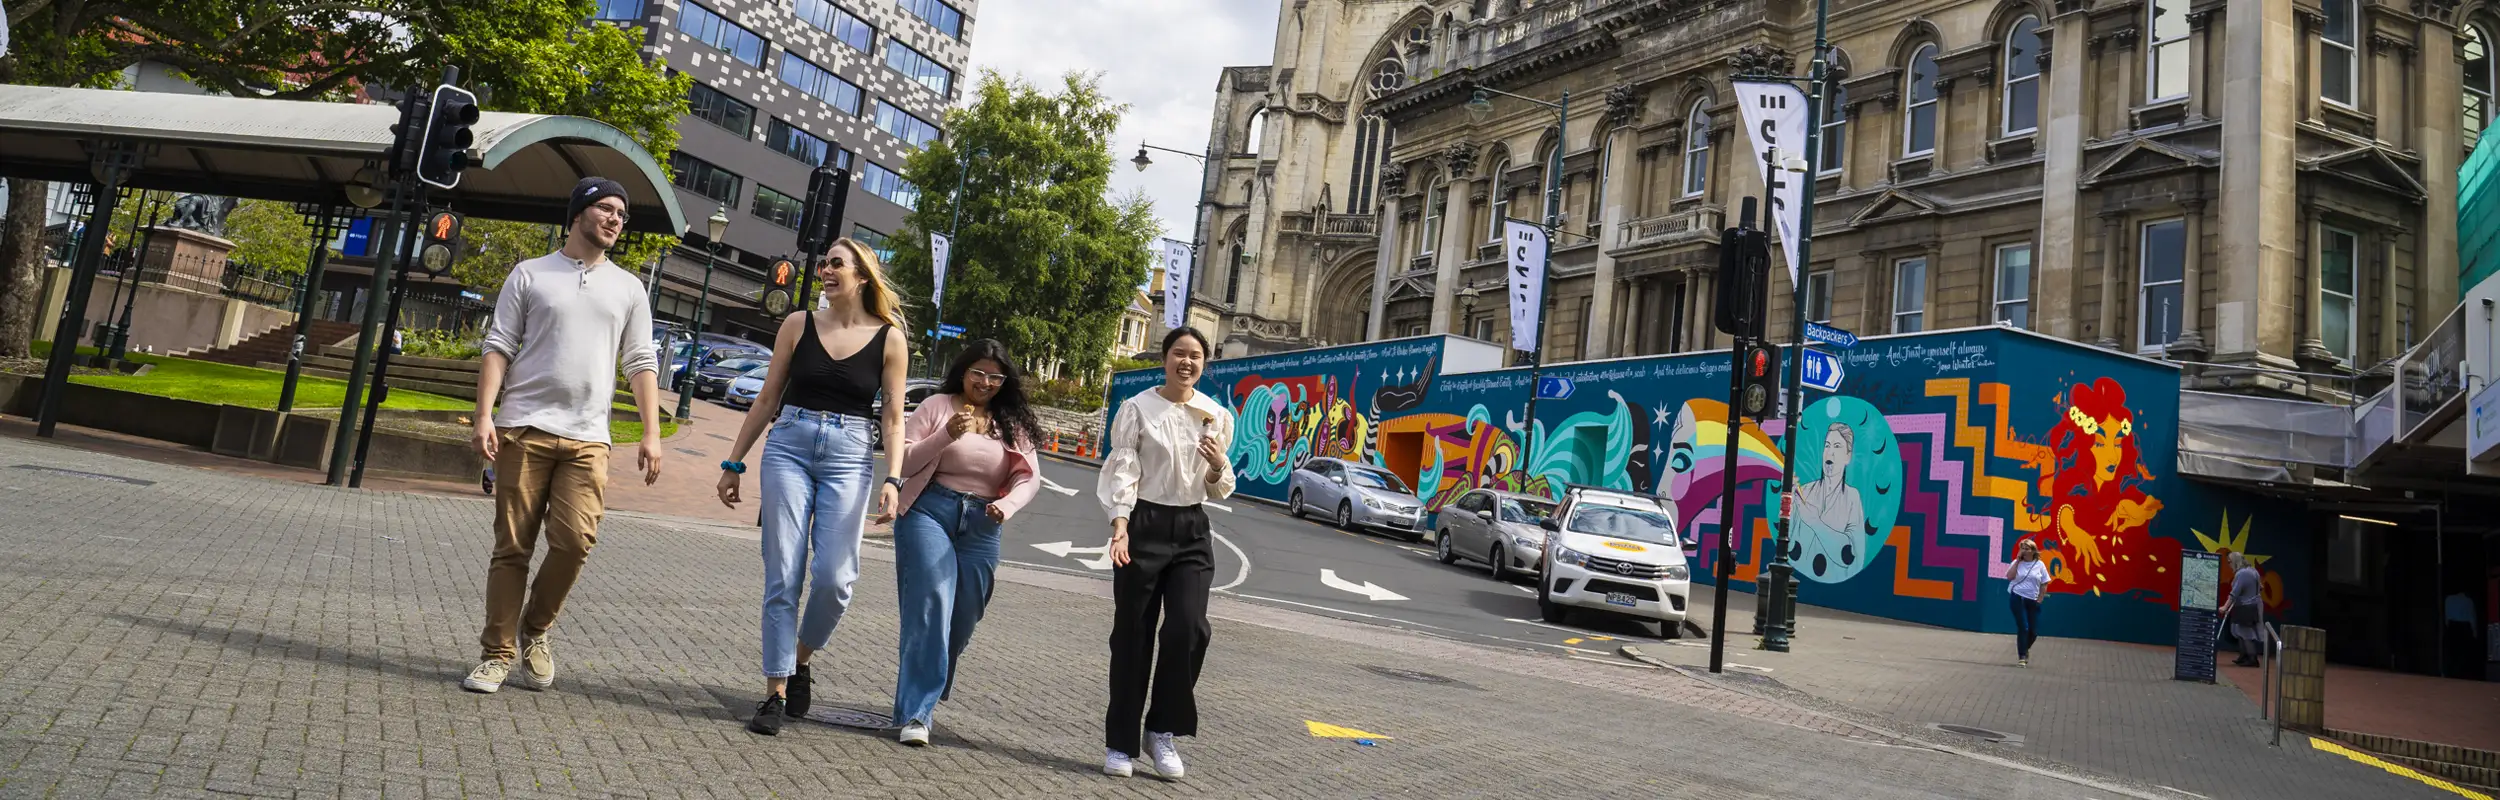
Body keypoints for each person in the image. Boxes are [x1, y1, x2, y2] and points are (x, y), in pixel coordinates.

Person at [461, 177, 664, 694]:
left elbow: (640, 360)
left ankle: (536, 628)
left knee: (575, 541)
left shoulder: (628, 288)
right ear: (577, 214)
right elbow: (499, 345)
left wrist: (651, 432)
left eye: (622, 213)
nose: (616, 219)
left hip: (589, 436)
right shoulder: (530, 274)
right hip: (524, 426)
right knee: (512, 547)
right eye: (605, 208)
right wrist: (485, 415)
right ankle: (496, 653)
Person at [715, 238, 910, 736]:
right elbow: (766, 398)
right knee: (783, 572)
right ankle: (774, 693)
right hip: (789, 448)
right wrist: (733, 462)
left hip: (850, 455)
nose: (825, 270)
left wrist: (893, 478)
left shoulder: (889, 339)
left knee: (836, 580)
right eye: (824, 262)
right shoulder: (797, 324)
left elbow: (892, 417)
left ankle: (801, 659)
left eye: (836, 264)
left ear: (862, 276)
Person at [886, 339, 1043, 746]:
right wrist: (945, 436)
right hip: (928, 511)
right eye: (978, 373)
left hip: (984, 522)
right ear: (963, 371)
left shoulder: (1011, 421)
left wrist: (1006, 505)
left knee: (961, 619)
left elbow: (1028, 477)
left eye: (995, 376)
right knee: (931, 607)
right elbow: (905, 459)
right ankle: (917, 713)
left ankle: (926, 688)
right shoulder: (936, 407)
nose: (985, 382)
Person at [1096, 327, 1235, 780]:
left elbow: (1220, 487)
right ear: (1165, 357)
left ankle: (1162, 732)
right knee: (1132, 635)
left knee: (1189, 629)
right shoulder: (1137, 408)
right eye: (1179, 353)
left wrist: (1216, 464)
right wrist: (1120, 527)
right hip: (1144, 525)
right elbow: (1123, 471)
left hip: (1192, 528)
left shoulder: (1214, 415)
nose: (1187, 362)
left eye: (1195, 356)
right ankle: (1121, 743)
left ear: (1204, 364)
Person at [2006, 539, 2051, 667]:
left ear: (2033, 550)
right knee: (2023, 627)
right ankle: (2022, 656)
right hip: (2018, 598)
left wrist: (2040, 598)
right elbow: (2009, 577)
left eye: (2027, 548)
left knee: (2033, 631)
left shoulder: (2040, 565)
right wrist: (2017, 562)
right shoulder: (2017, 563)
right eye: (2022, 548)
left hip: (2033, 600)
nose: (2024, 551)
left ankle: (2025, 648)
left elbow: (2044, 582)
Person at [2222, 553, 2265, 667]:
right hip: (2251, 604)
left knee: (2245, 632)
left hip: (2246, 606)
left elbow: (2234, 593)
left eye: (2230, 562)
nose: (2229, 564)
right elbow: (2261, 587)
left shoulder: (2242, 574)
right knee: (2238, 630)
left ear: (2235, 561)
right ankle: (2244, 655)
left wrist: (2225, 607)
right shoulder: (2252, 571)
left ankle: (2252, 658)